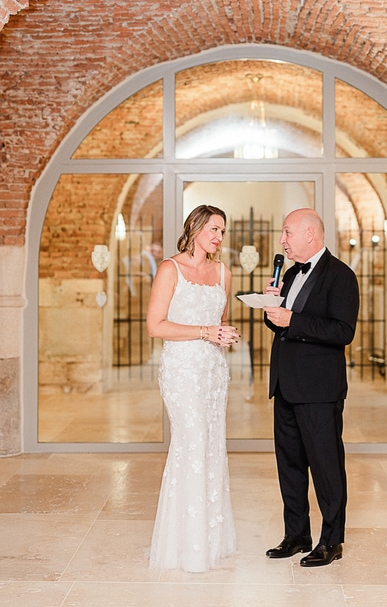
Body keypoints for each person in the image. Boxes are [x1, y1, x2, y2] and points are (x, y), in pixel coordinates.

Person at [262, 208, 360, 567]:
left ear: (310, 234)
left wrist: (293, 319)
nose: (283, 240)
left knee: (326, 466)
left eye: (287, 232)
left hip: (319, 390)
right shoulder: (289, 274)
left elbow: (342, 332)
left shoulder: (341, 276)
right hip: (285, 386)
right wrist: (272, 307)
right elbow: (284, 328)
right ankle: (297, 534)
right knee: (289, 464)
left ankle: (332, 541)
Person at [146, 204, 240, 572]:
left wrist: (223, 336)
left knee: (212, 447)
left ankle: (210, 541)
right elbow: (156, 325)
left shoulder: (222, 273)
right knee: (192, 443)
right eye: (214, 229)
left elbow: (221, 321)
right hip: (182, 370)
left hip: (214, 372)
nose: (218, 237)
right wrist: (204, 333)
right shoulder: (170, 269)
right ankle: (185, 546)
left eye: (222, 231)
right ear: (196, 227)